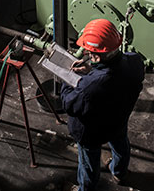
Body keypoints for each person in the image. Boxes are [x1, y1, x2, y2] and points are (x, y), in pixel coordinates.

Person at [61, 18, 145, 191]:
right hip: (118, 120)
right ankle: (119, 172)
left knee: (88, 162)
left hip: (91, 133)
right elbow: (113, 76)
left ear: (96, 55)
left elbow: (69, 104)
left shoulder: (89, 87)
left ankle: (85, 188)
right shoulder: (136, 62)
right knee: (121, 144)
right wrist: (92, 71)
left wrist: (66, 78)